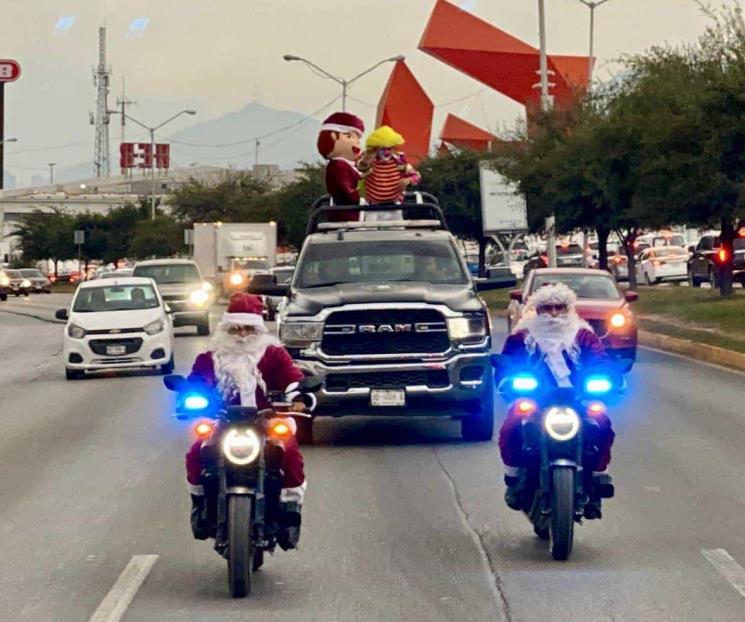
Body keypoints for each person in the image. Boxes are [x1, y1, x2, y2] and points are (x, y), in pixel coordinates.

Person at [185, 293, 315, 548]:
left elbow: (292, 379)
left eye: (248, 328)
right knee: (195, 453)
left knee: (288, 452)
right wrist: (189, 397)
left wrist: (297, 394)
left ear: (258, 329)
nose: (242, 334)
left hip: (265, 420)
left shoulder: (274, 355)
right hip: (222, 421)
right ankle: (200, 507)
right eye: (235, 328)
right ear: (226, 329)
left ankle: (290, 512)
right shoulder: (210, 357)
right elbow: (196, 383)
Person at [498, 282, 615, 519]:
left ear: (569, 309)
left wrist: (604, 379)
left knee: (603, 427)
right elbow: (507, 365)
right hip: (536, 401)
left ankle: (596, 477)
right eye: (547, 308)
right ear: (536, 311)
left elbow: (600, 362)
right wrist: (509, 380)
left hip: (578, 400)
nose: (553, 314)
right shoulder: (522, 337)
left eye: (559, 308)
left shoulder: (584, 336)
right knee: (510, 429)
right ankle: (514, 479)